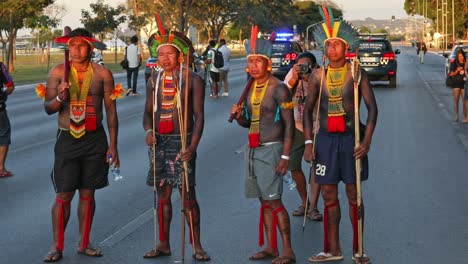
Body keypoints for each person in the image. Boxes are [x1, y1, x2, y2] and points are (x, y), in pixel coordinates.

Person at [304, 6, 377, 264]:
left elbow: (372, 109)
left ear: (346, 48)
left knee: (354, 195)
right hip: (324, 141)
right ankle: (332, 249)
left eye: (337, 44)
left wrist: (366, 141)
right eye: (328, 45)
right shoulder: (317, 76)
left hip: (351, 139)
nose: (332, 49)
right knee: (328, 195)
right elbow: (308, 110)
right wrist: (309, 142)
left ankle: (359, 250)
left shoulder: (356, 73)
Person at [42, 28, 119, 262]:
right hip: (67, 138)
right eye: (72, 45)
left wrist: (113, 146)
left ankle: (84, 243)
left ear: (91, 47)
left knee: (88, 194)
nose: (76, 50)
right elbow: (48, 108)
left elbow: (111, 113)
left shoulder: (103, 74)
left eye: (82, 45)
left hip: (95, 139)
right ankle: (57, 246)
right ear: (68, 47)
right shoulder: (58, 72)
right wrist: (59, 98)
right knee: (63, 195)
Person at [142, 26, 210, 261]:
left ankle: (197, 245)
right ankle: (162, 244)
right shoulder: (153, 79)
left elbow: (199, 116)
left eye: (170, 54)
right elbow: (147, 114)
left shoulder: (193, 79)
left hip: (182, 142)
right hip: (159, 144)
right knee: (162, 195)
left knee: (187, 195)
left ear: (180, 56)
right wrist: (149, 132)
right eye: (161, 55)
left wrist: (192, 146)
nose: (165, 59)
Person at [230, 27, 296, 264]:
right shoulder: (250, 89)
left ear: (268, 64)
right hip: (252, 149)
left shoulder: (279, 88)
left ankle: (287, 250)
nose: (254, 65)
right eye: (251, 61)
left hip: (272, 148)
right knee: (263, 200)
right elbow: (249, 123)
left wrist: (285, 157)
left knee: (274, 200)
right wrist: (238, 116)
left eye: (259, 61)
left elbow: (289, 125)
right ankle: (271, 246)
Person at [283, 52, 322, 221]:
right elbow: (283, 102)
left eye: (306, 65)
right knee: (293, 165)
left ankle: (313, 206)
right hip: (298, 126)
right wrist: (293, 83)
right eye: (300, 65)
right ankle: (305, 201)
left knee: (317, 166)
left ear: (314, 66)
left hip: (318, 127)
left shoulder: (321, 75)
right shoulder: (292, 75)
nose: (303, 69)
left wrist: (311, 80)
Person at [0, 61, 15, 178]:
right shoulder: (1, 67)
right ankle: (1, 168)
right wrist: (3, 94)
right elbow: (10, 86)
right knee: (4, 135)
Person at [448, 49, 467, 122]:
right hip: (456, 83)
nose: (460, 57)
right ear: (457, 56)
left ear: (463, 56)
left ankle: (465, 116)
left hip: (464, 84)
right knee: (456, 101)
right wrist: (457, 71)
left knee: (465, 101)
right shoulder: (454, 63)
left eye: (461, 56)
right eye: (459, 56)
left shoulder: (466, 63)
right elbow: (450, 74)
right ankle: (456, 115)